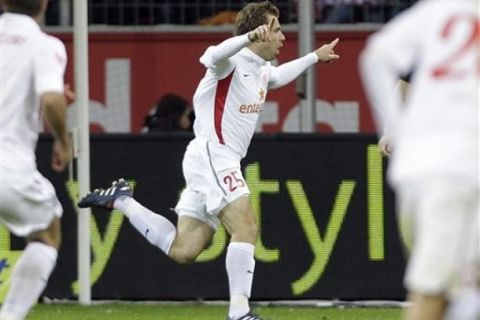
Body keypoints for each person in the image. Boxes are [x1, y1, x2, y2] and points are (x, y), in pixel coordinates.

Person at [78, 1, 339, 319]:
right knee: (246, 225)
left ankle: (123, 202)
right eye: (277, 29)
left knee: (184, 250)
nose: (283, 36)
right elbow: (211, 54)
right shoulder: (229, 62)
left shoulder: (259, 69)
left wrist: (315, 56)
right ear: (259, 32)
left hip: (213, 159)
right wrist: (246, 38)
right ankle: (239, 312)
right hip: (214, 154)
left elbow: (278, 77)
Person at [360, 0, 479, 319]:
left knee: (464, 290)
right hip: (453, 170)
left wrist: (397, 130)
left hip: (430, 169)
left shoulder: (440, 9)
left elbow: (378, 56)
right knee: (433, 294)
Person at [0, 0, 72, 319]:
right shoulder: (44, 45)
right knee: (47, 232)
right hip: (8, 167)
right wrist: (63, 139)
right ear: (44, 4)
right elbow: (51, 97)